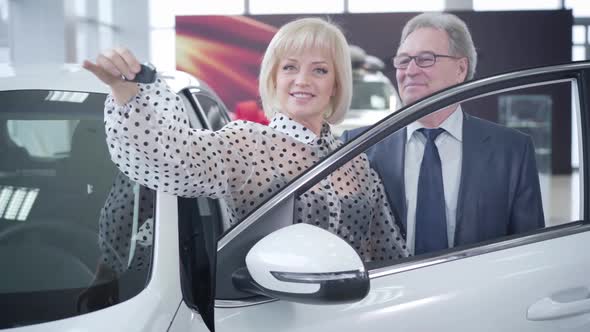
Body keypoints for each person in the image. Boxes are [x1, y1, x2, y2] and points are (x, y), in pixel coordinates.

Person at [83, 17, 409, 263]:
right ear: (273, 78)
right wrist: (129, 94)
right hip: (266, 318)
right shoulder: (247, 144)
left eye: (320, 70)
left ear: (336, 84)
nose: (302, 81)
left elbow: (388, 252)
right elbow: (173, 157)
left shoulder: (356, 162)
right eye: (290, 67)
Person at [342, 12, 545, 255]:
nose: (411, 70)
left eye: (426, 59)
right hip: (388, 291)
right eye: (404, 60)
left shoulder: (512, 151)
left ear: (461, 68)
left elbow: (530, 253)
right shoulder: (359, 147)